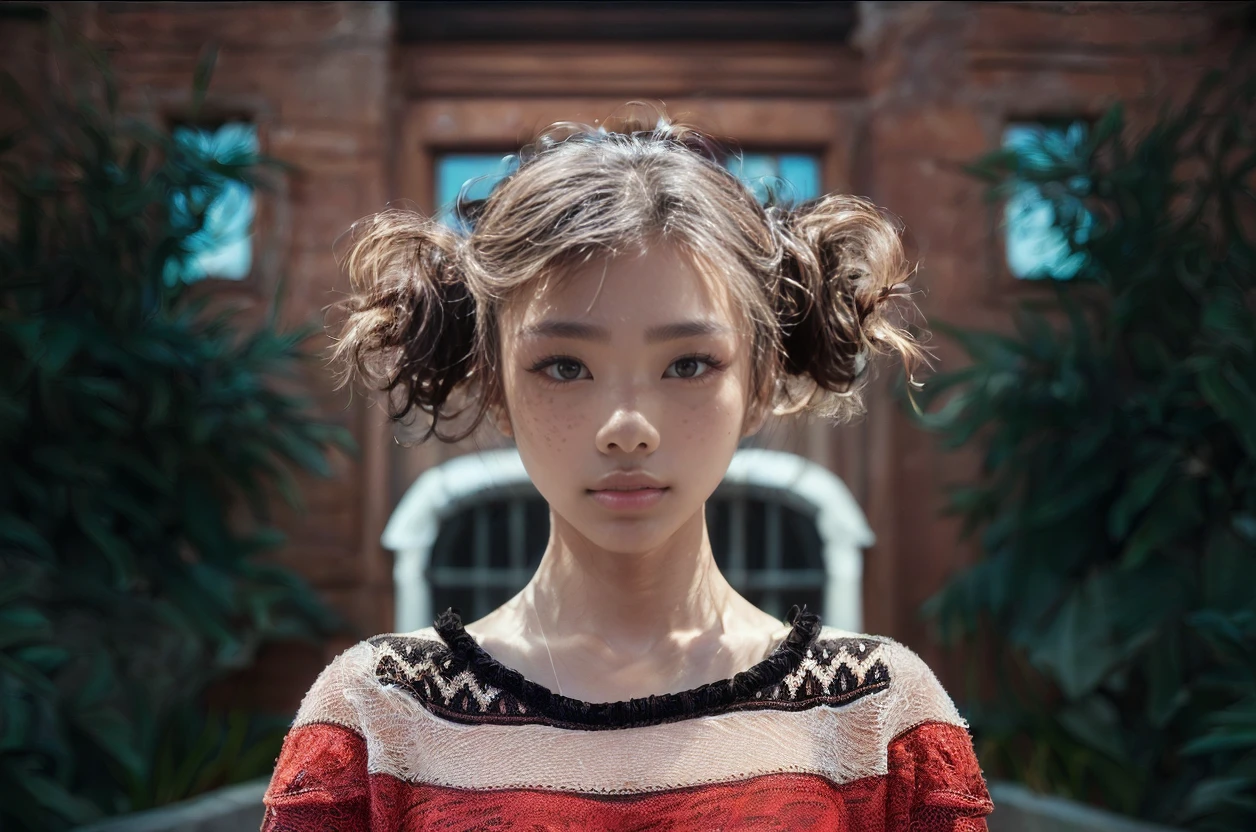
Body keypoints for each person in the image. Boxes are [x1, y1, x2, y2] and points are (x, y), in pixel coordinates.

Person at [260, 111, 993, 831]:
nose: (627, 429)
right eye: (565, 366)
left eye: (688, 364)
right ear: (495, 385)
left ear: (760, 381)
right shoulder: (381, 717)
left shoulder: (879, 719)